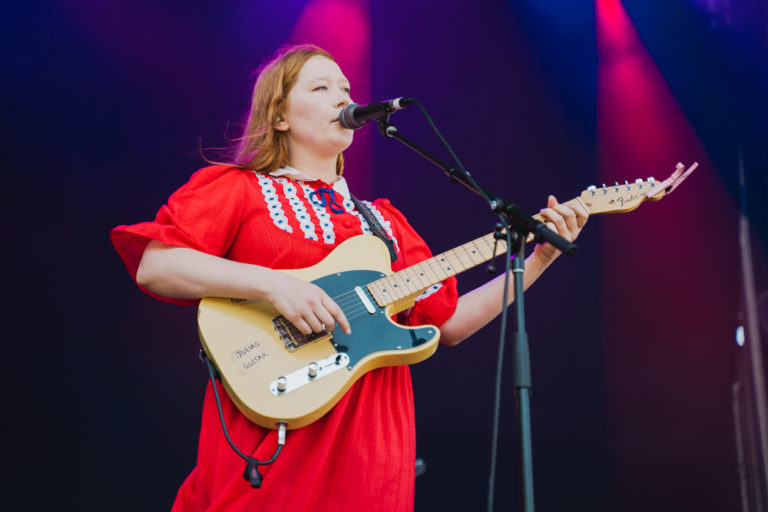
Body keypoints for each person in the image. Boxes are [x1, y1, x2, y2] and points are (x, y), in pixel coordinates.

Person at [111, 44, 588, 512]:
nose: (342, 97)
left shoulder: (383, 223)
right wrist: (274, 285)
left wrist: (539, 259)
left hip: (371, 442)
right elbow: (158, 267)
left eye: (345, 88)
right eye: (321, 88)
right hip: (277, 416)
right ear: (280, 116)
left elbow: (449, 324)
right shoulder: (240, 188)